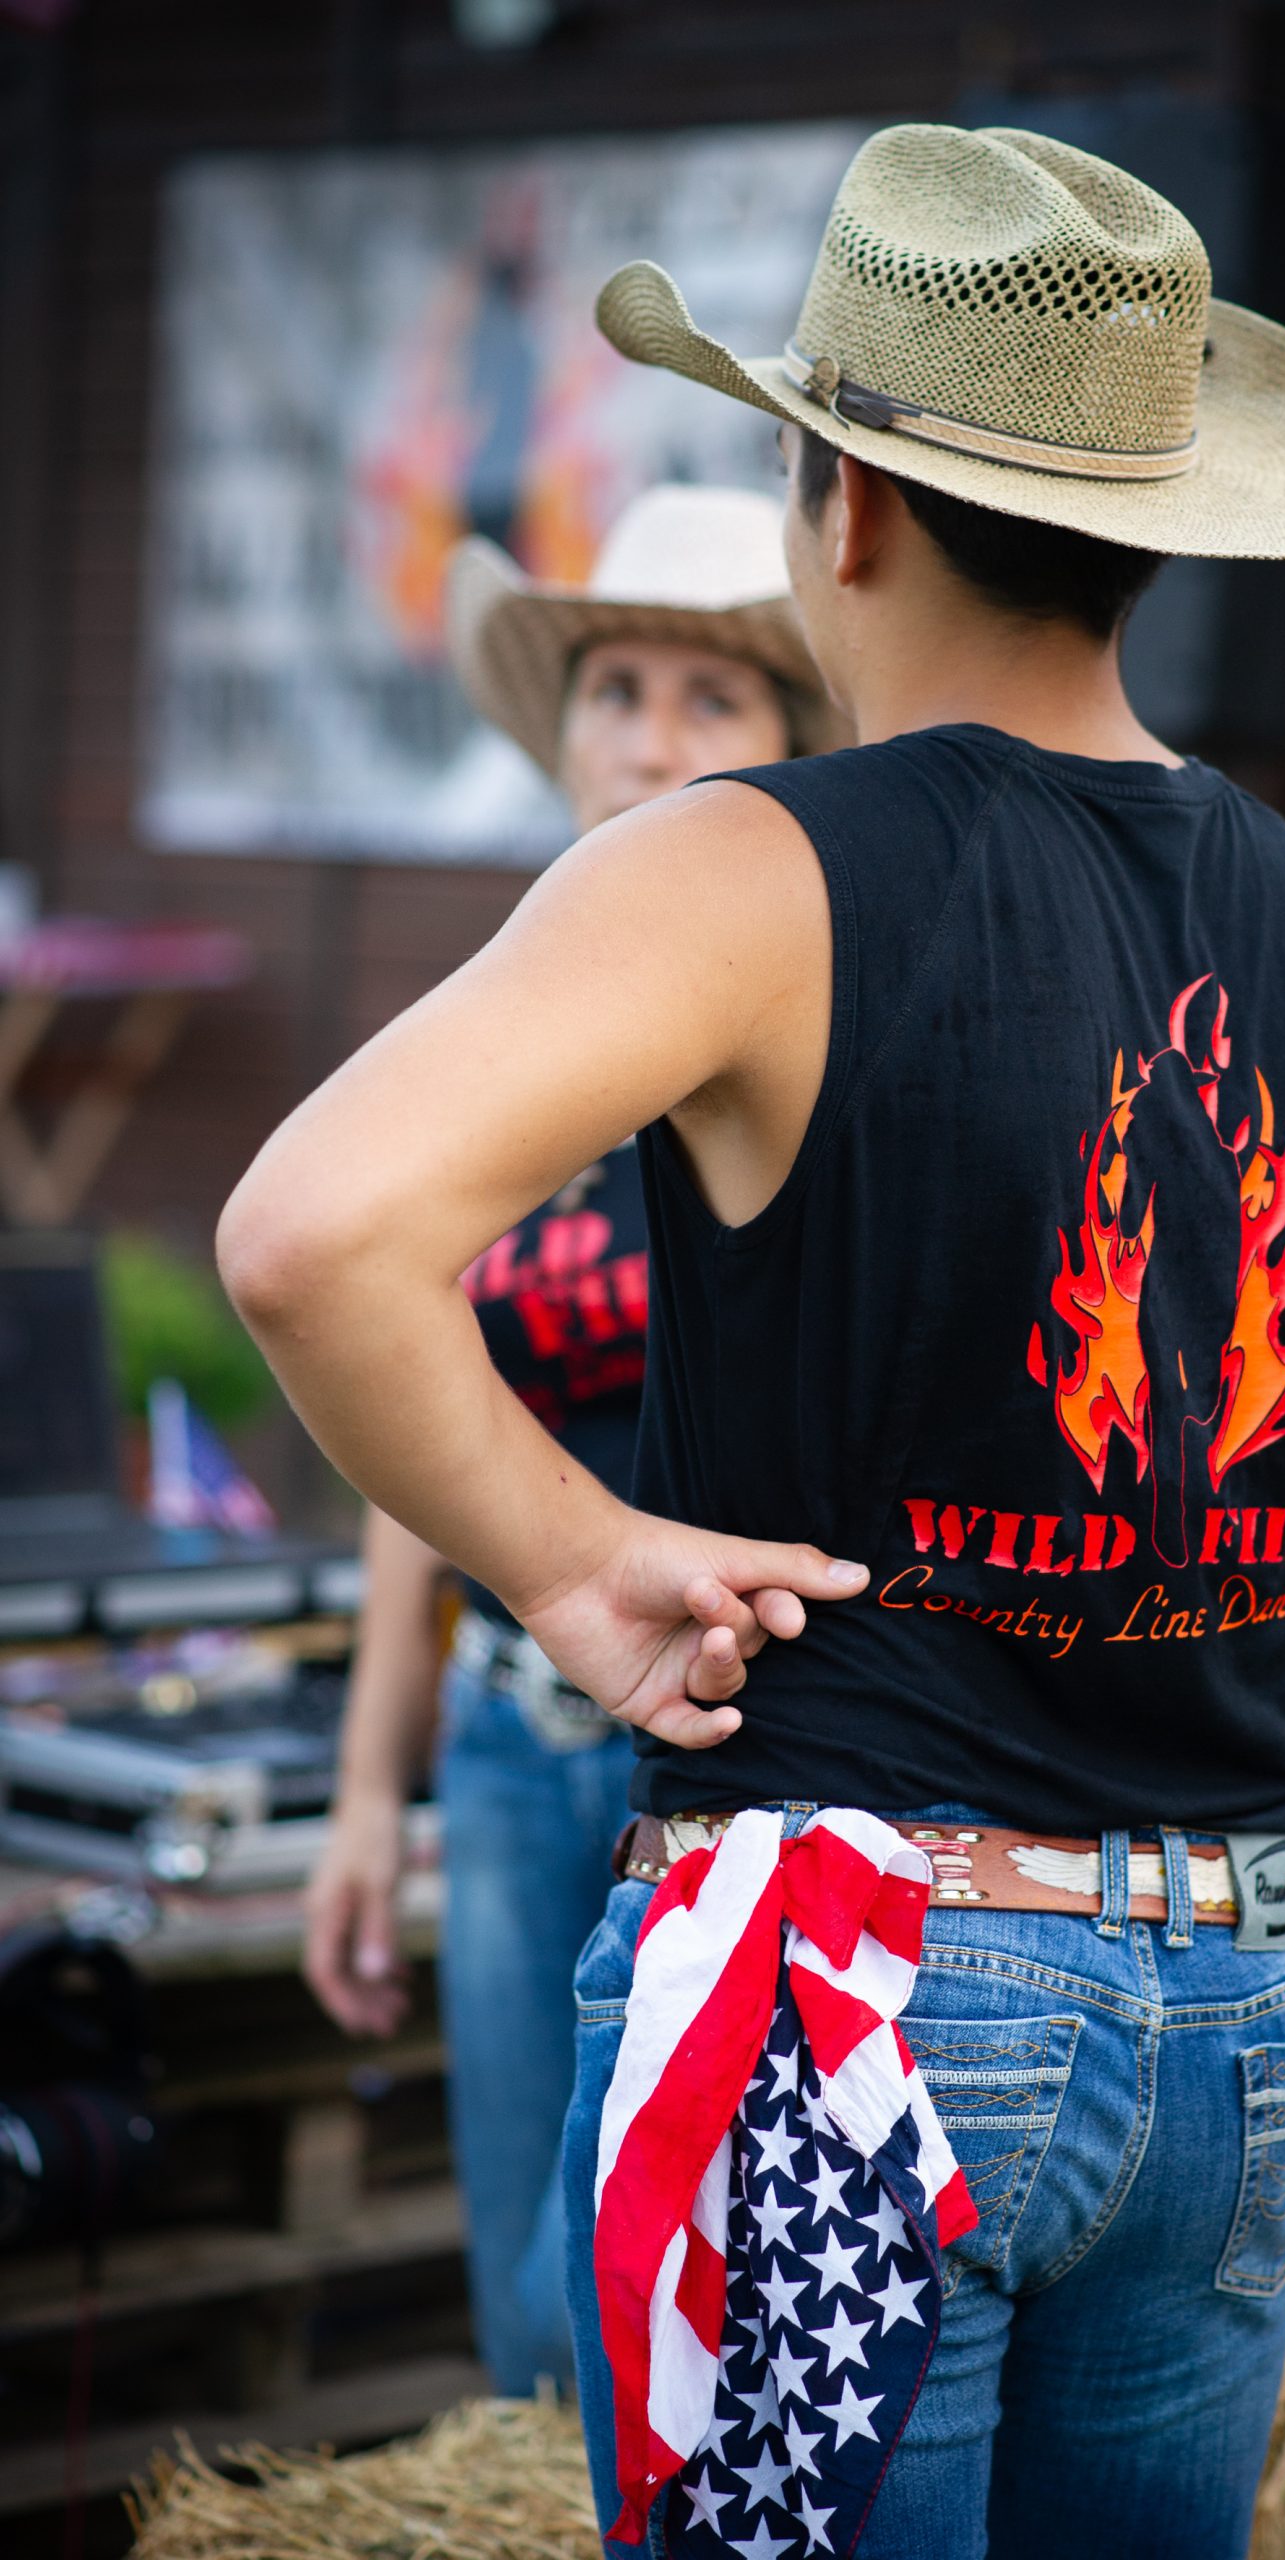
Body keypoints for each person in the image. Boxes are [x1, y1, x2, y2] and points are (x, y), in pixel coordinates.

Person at [221, 126, 1285, 2559]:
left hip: (847, 2004)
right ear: (1164, 524)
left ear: (834, 502)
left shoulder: (747, 869)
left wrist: (570, 1555)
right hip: (1227, 2017)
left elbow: (313, 1233)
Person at [299, 484, 836, 2396]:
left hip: (716, 1749)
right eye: (618, 686)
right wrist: (374, 1790)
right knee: (525, 2331)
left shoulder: (807, 1038)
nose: (653, 736)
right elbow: (411, 1408)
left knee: (631, 2315)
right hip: (511, 1734)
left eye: (716, 695)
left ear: (794, 747)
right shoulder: (485, 1038)